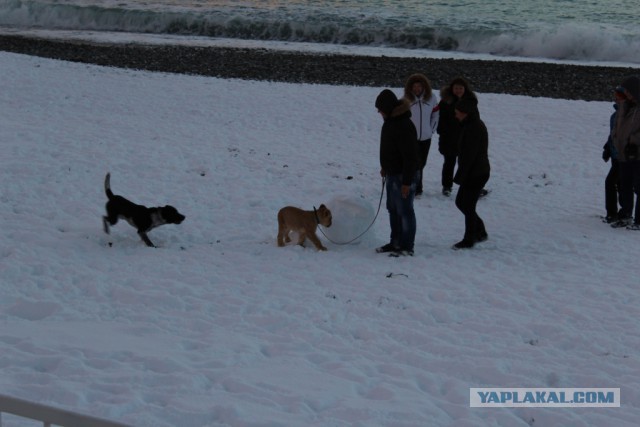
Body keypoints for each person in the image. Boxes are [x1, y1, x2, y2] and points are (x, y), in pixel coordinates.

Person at [374, 89, 419, 256]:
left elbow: (411, 157)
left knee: (405, 211)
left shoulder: (403, 125)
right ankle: (396, 242)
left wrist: (407, 182)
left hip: (404, 175)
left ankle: (407, 246)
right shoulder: (390, 121)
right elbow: (389, 148)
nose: (379, 112)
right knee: (393, 209)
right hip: (392, 173)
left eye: (380, 109)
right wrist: (385, 166)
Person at [437, 76, 487, 197]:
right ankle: (447, 186)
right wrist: (444, 133)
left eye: (460, 88)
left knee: (468, 163)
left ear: (465, 89)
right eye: (456, 88)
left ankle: (472, 186)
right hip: (449, 137)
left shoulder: (471, 101)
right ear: (452, 89)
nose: (458, 90)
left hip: (467, 137)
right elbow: (441, 120)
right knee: (449, 162)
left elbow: (476, 119)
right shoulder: (445, 101)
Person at [451, 97, 490, 249]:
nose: (456, 116)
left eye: (457, 113)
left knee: (466, 204)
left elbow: (469, 156)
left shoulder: (474, 127)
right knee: (463, 203)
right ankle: (479, 231)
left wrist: (460, 176)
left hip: (476, 173)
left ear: (465, 113)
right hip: (475, 172)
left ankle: (470, 238)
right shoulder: (469, 125)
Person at [611, 75, 640, 230]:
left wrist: (634, 142)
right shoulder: (626, 107)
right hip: (623, 153)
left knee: (639, 187)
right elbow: (619, 127)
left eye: (628, 91)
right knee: (625, 185)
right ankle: (626, 215)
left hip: (637, 154)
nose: (625, 94)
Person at [403, 73, 439, 196]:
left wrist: (431, 129)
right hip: (411, 137)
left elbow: (435, 114)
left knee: (421, 163)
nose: (417, 89)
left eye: (419, 86)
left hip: (426, 137)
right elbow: (402, 117)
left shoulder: (432, 98)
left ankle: (416, 186)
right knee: (414, 163)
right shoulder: (406, 99)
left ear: (424, 87)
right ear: (410, 87)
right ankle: (416, 188)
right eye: (414, 86)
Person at [602, 86, 626, 223]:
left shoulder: (628, 114)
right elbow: (613, 135)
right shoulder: (615, 115)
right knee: (619, 183)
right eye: (615, 95)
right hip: (615, 155)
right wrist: (607, 148)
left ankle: (615, 214)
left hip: (624, 156)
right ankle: (619, 214)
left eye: (619, 96)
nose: (615, 97)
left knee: (612, 183)